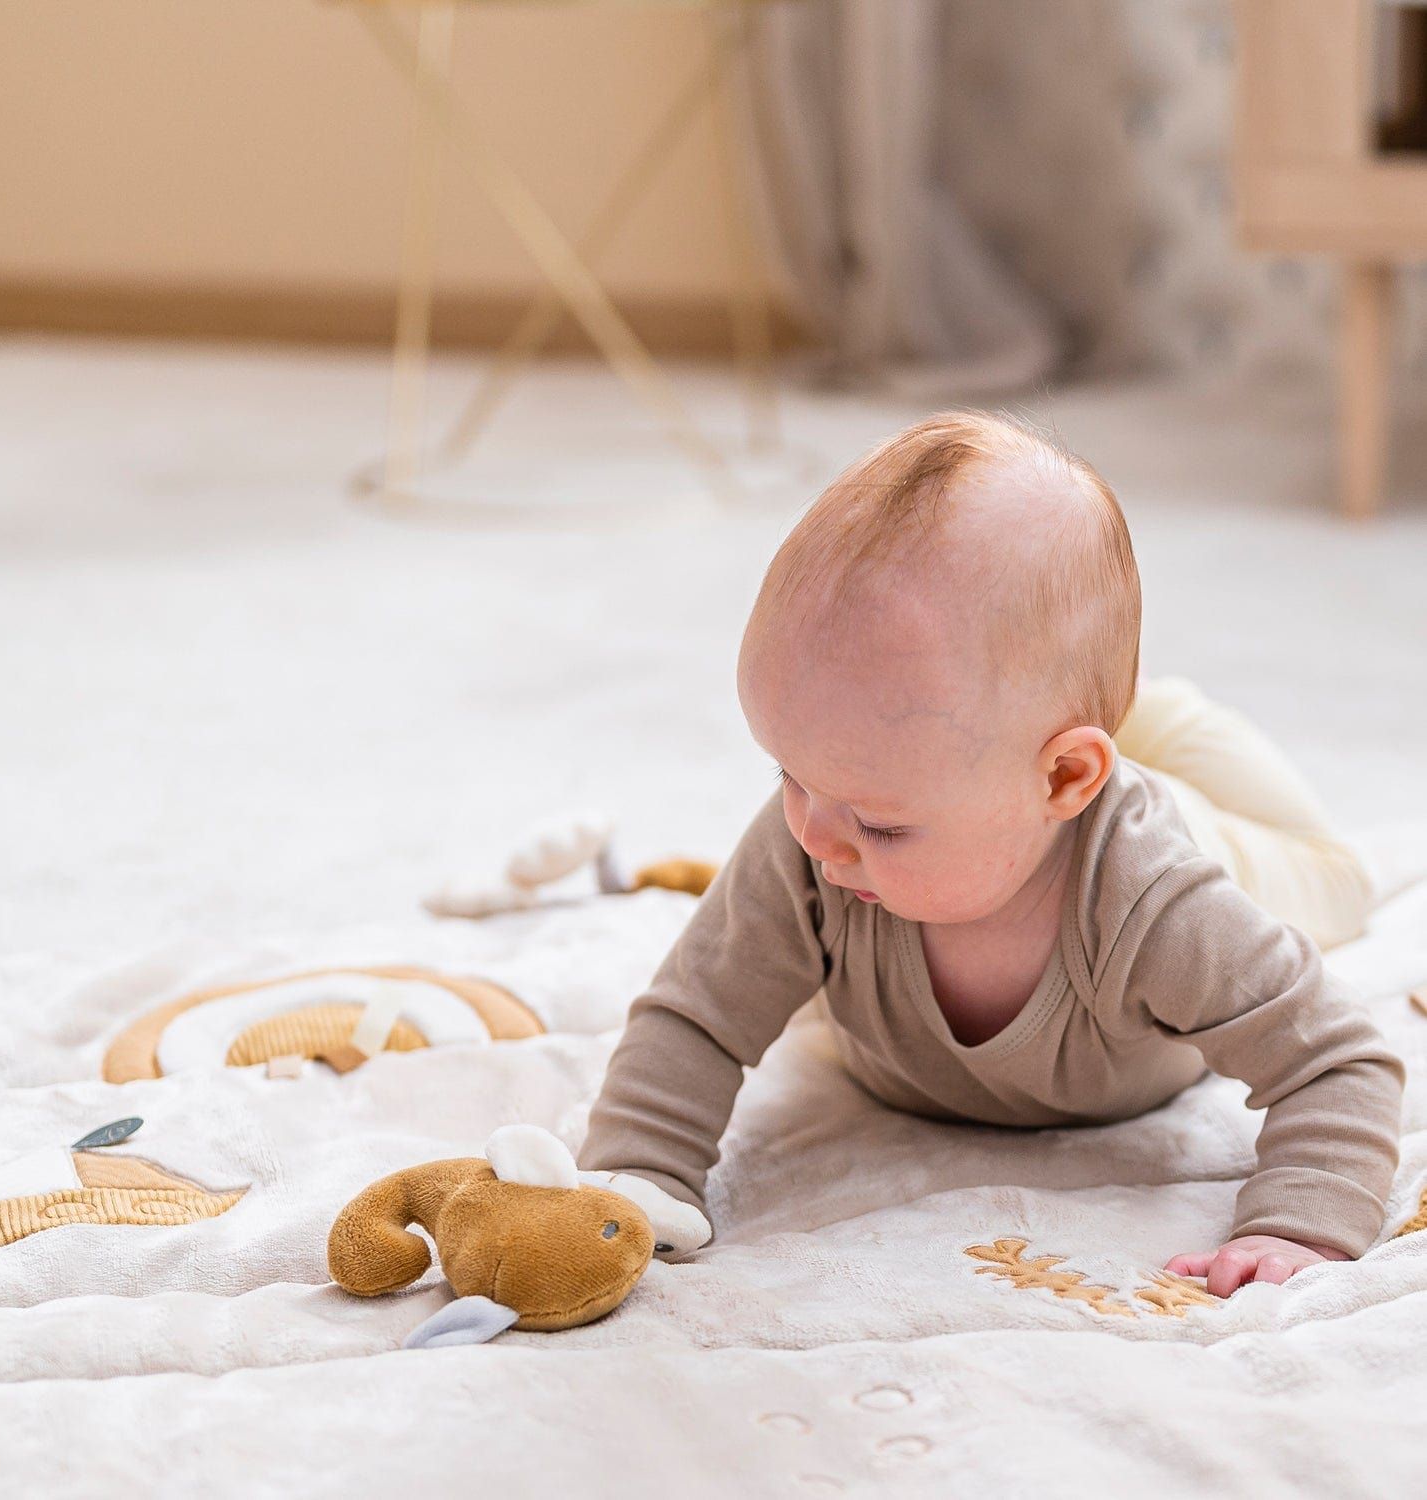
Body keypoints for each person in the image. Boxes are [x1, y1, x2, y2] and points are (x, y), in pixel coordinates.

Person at [577, 411, 1402, 1300]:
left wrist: (1299, 1224)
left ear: (1065, 779)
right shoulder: (814, 837)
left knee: (1338, 883)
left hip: (1207, 831)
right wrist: (634, 1180)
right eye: (789, 772)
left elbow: (1339, 1062)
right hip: (1033, 764)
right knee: (988, 728)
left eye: (881, 825)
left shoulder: (1158, 899)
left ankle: (1153, 714)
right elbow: (694, 1016)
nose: (815, 836)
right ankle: (1078, 703)